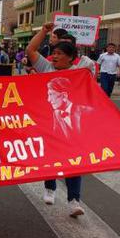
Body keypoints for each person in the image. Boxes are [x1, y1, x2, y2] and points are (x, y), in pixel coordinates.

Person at [26, 22, 96, 218]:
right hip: (47, 123)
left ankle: (74, 200)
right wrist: (43, 31)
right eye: (54, 53)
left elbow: (91, 91)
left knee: (75, 162)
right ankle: (50, 188)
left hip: (73, 125)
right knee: (50, 159)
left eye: (60, 54)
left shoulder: (82, 71)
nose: (54, 56)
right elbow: (31, 50)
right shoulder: (46, 67)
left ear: (72, 58)